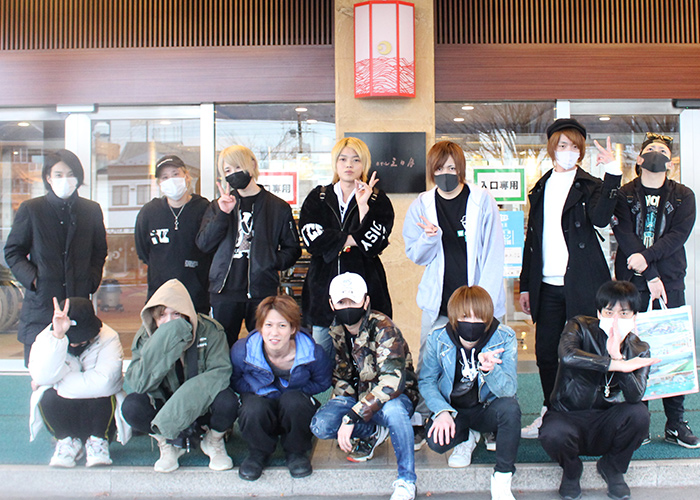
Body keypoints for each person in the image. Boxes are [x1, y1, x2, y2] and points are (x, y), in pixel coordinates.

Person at [519, 119, 621, 438]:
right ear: (552, 148)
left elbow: (601, 219)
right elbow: (532, 241)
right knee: (547, 353)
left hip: (582, 282)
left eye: (575, 146)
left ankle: (588, 413)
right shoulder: (540, 188)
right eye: (562, 145)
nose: (568, 151)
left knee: (587, 351)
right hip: (546, 284)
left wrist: (613, 172)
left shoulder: (590, 185)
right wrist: (526, 285)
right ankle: (551, 411)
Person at [611, 132, 699, 447]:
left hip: (670, 281)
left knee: (672, 349)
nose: (656, 153)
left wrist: (648, 262)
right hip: (632, 283)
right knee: (634, 350)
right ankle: (641, 422)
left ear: (670, 162)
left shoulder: (683, 196)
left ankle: (676, 422)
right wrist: (649, 274)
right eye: (651, 149)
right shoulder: (624, 195)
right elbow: (625, 235)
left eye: (663, 150)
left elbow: (677, 236)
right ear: (639, 159)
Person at [538, 281, 660, 500]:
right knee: (551, 432)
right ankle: (571, 471)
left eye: (624, 313)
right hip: (569, 415)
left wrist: (618, 357)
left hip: (608, 420)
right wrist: (612, 364)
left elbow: (635, 395)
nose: (615, 320)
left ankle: (612, 467)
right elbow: (567, 356)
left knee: (640, 415)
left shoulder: (640, 349)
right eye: (609, 312)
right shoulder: (579, 326)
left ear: (634, 316)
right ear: (599, 313)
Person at [310, 272, 418, 500]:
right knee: (321, 425)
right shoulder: (336, 330)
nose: (348, 307)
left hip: (394, 397)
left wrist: (352, 416)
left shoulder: (383, 327)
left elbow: (392, 382)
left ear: (366, 301)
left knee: (394, 411)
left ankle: (406, 480)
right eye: (341, 302)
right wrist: (344, 407)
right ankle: (373, 432)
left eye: (353, 300)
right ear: (332, 304)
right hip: (360, 399)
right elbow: (342, 377)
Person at [403, 140, 505, 365]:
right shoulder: (422, 205)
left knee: (484, 361)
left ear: (460, 168)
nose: (445, 174)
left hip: (477, 301)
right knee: (430, 362)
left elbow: (494, 253)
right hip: (440, 303)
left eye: (451, 168)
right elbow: (416, 255)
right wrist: (429, 238)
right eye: (439, 168)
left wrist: (484, 301)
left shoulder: (481, 200)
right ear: (431, 170)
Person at [121, 279, 237, 473]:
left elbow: (220, 372)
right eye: (162, 315)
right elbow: (138, 383)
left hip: (201, 405)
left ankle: (214, 441)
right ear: (154, 319)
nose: (170, 322)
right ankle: (167, 443)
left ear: (186, 314)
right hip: (163, 402)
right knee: (132, 406)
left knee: (228, 401)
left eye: (176, 314)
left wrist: (174, 415)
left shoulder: (210, 330)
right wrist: (162, 347)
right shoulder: (145, 337)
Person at [4, 149, 107, 366]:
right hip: (41, 307)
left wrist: (91, 280)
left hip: (78, 303)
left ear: (78, 178)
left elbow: (99, 251)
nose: (65, 180)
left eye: (70, 174)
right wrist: (35, 280)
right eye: (58, 174)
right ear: (48, 178)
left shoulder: (91, 210)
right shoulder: (32, 209)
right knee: (42, 373)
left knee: (76, 371)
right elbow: (13, 251)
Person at [419, 285, 520, 500]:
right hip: (454, 410)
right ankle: (467, 437)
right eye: (466, 316)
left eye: (479, 317)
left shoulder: (504, 337)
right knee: (436, 441)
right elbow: (427, 380)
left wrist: (491, 370)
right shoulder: (438, 338)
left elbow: (509, 390)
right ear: (455, 317)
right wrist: (442, 411)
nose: (472, 323)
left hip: (485, 409)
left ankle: (502, 478)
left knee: (511, 409)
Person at [299, 137, 394, 360]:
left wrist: (363, 207)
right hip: (323, 291)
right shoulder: (318, 197)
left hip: (367, 289)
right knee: (322, 357)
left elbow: (375, 243)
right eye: (343, 159)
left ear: (364, 164)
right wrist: (354, 238)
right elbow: (313, 241)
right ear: (335, 163)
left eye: (355, 160)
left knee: (367, 357)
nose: (349, 165)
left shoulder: (378, 200)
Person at [197, 145, 301, 347]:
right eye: (227, 170)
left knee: (264, 346)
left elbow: (292, 249)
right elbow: (204, 244)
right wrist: (223, 214)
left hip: (262, 291)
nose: (233, 173)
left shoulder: (277, 207)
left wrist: (270, 261)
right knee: (221, 347)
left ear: (252, 164)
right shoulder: (217, 206)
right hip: (224, 291)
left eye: (238, 167)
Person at [230, 294, 332, 481]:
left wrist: (291, 391)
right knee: (253, 407)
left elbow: (323, 382)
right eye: (268, 325)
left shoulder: (313, 353)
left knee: (294, 402)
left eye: (282, 326)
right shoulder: (242, 350)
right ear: (260, 327)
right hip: (260, 398)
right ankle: (258, 452)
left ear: (293, 328)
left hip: (294, 400)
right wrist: (259, 389)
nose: (274, 333)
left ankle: (296, 452)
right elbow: (235, 380)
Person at [28, 297, 128, 468]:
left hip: (98, 415)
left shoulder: (109, 337)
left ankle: (98, 442)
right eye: (70, 338)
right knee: (45, 394)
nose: (74, 343)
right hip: (66, 412)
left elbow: (106, 383)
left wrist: (58, 381)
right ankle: (66, 442)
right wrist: (58, 338)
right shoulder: (46, 337)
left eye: (82, 337)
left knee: (107, 394)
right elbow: (43, 376)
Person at [135, 154, 212, 314]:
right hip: (160, 299)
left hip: (197, 298)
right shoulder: (149, 212)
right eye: (165, 177)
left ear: (187, 176)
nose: (171, 180)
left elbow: (211, 247)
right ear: (159, 184)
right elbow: (143, 251)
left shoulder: (203, 208)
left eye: (175, 174)